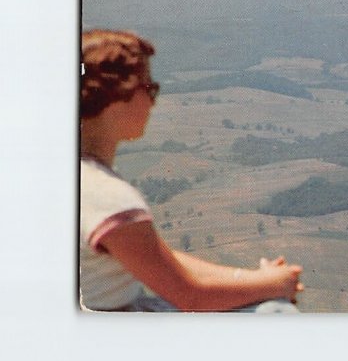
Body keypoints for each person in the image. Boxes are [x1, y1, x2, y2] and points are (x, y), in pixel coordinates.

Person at [80, 29, 303, 312]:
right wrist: (275, 285)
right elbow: (190, 296)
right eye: (149, 89)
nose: (152, 102)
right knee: (275, 311)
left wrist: (254, 279)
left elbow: (157, 258)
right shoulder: (107, 194)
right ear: (115, 98)